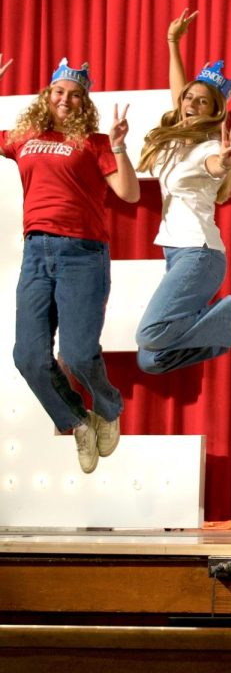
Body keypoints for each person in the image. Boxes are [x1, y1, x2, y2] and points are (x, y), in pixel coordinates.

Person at [0, 56, 139, 473]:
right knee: (28, 356)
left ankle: (109, 408)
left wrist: (117, 145)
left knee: (78, 355)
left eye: (76, 95)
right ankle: (77, 422)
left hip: (82, 255)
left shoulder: (95, 143)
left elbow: (129, 194)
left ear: (84, 103)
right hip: (36, 253)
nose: (66, 98)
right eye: (60, 91)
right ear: (47, 95)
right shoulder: (23, 137)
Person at [135, 9, 231, 374]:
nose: (190, 104)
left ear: (214, 110)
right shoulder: (178, 138)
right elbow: (180, 93)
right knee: (151, 359)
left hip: (199, 254)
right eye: (189, 98)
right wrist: (172, 43)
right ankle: (222, 328)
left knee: (151, 331)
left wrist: (226, 160)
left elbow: (215, 167)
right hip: (177, 254)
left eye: (201, 101)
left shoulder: (207, 147)